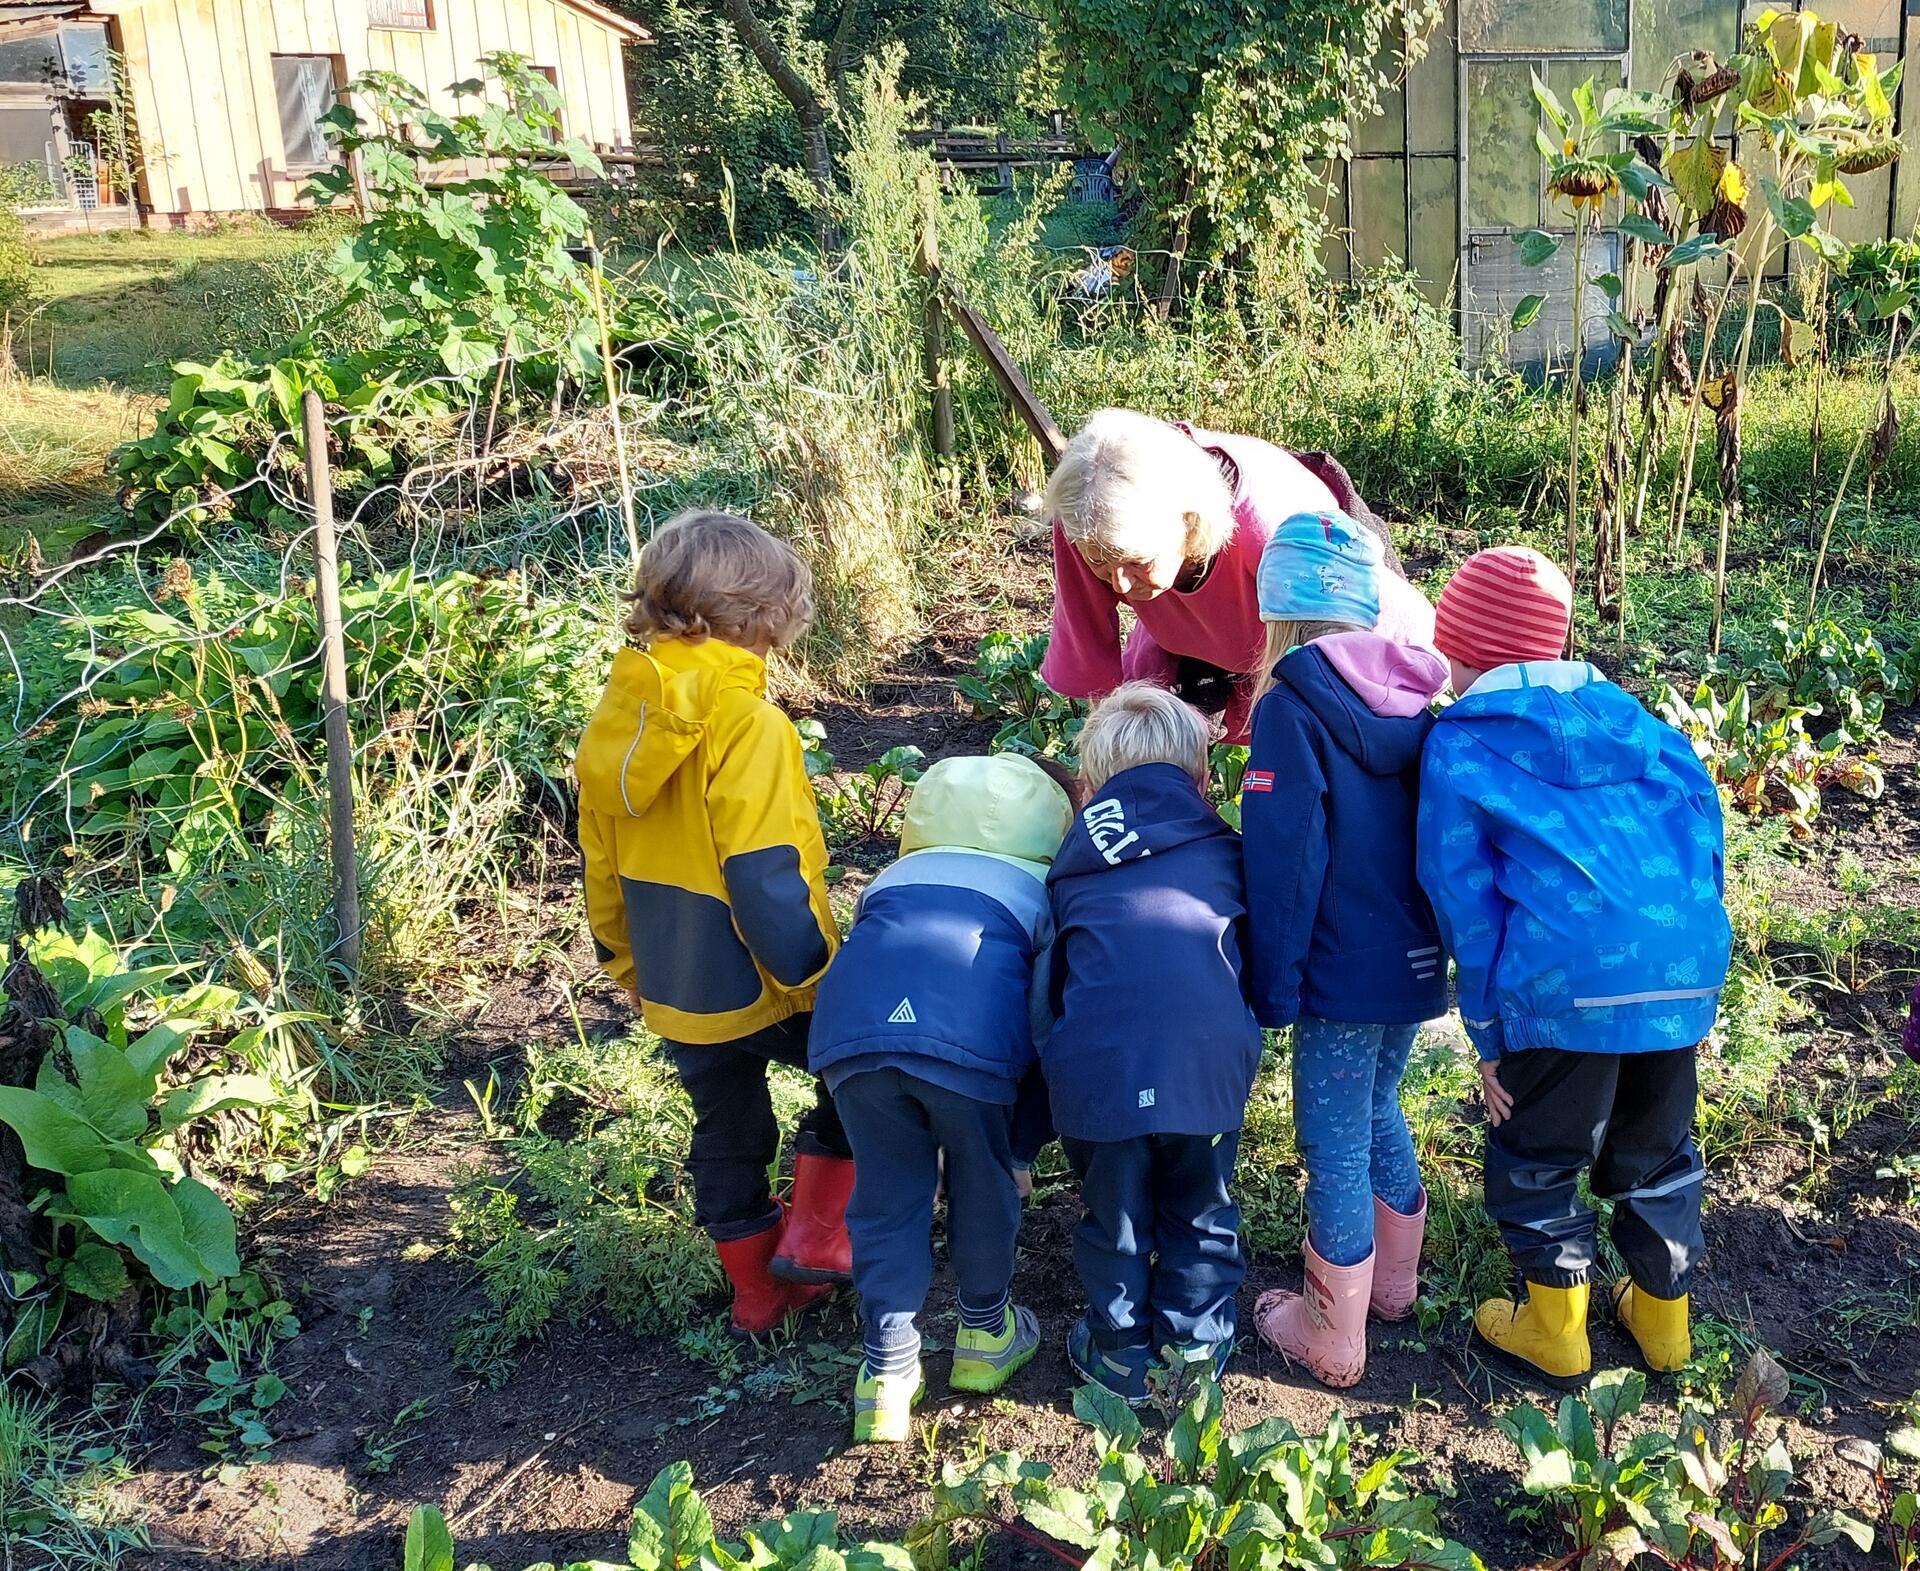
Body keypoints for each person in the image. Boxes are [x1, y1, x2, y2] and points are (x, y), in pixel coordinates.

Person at [1416, 547, 1733, 1387]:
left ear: (1461, 650)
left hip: (1561, 981)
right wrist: (1691, 982)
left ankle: (1557, 1329)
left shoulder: (1460, 744)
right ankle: (1664, 1324)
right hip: (1680, 966)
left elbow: (1465, 899)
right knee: (1659, 1144)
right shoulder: (1641, 723)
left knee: (1540, 1146)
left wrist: (1486, 1030)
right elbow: (1705, 831)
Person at [574, 510, 854, 1335]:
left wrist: (625, 962)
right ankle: (814, 1237)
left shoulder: (619, 719)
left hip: (674, 979)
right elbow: (764, 875)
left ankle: (755, 1295)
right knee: (860, 1074)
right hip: (764, 977)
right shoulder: (748, 723)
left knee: (725, 1127)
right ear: (765, 616)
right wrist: (819, 979)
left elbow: (599, 861)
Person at [1238, 512, 1450, 1389]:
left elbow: (1286, 862)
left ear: (1277, 615)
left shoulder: (1290, 710)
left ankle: (1333, 1332)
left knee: (1331, 1138)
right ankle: (1393, 1288)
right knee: (1378, 1108)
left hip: (1335, 970)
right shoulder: (1421, 707)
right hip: (1411, 966)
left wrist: (1274, 981)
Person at [808, 754, 1071, 1443]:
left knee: (888, 1195)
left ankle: (886, 1375)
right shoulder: (1038, 890)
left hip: (852, 1040)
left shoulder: (894, 875)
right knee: (983, 1183)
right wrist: (1023, 1140)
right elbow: (1047, 1014)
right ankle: (985, 1334)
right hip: (969, 1045)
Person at [1039, 683, 1264, 1402]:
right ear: (1201, 775)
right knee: (1201, 1206)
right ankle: (1192, 1350)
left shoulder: (1071, 861)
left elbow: (1052, 972)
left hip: (1096, 1069)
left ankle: (1117, 1352)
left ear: (1093, 781)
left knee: (1116, 1213)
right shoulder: (1228, 850)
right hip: (1205, 1060)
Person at [1040, 409, 1435, 742]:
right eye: (1101, 564)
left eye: (1135, 561)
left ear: (1188, 523)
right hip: (1190, 625)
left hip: (1314, 612)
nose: (1120, 584)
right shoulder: (1089, 516)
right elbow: (1088, 648)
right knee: (1154, 733)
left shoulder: (1273, 533)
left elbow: (1375, 656)